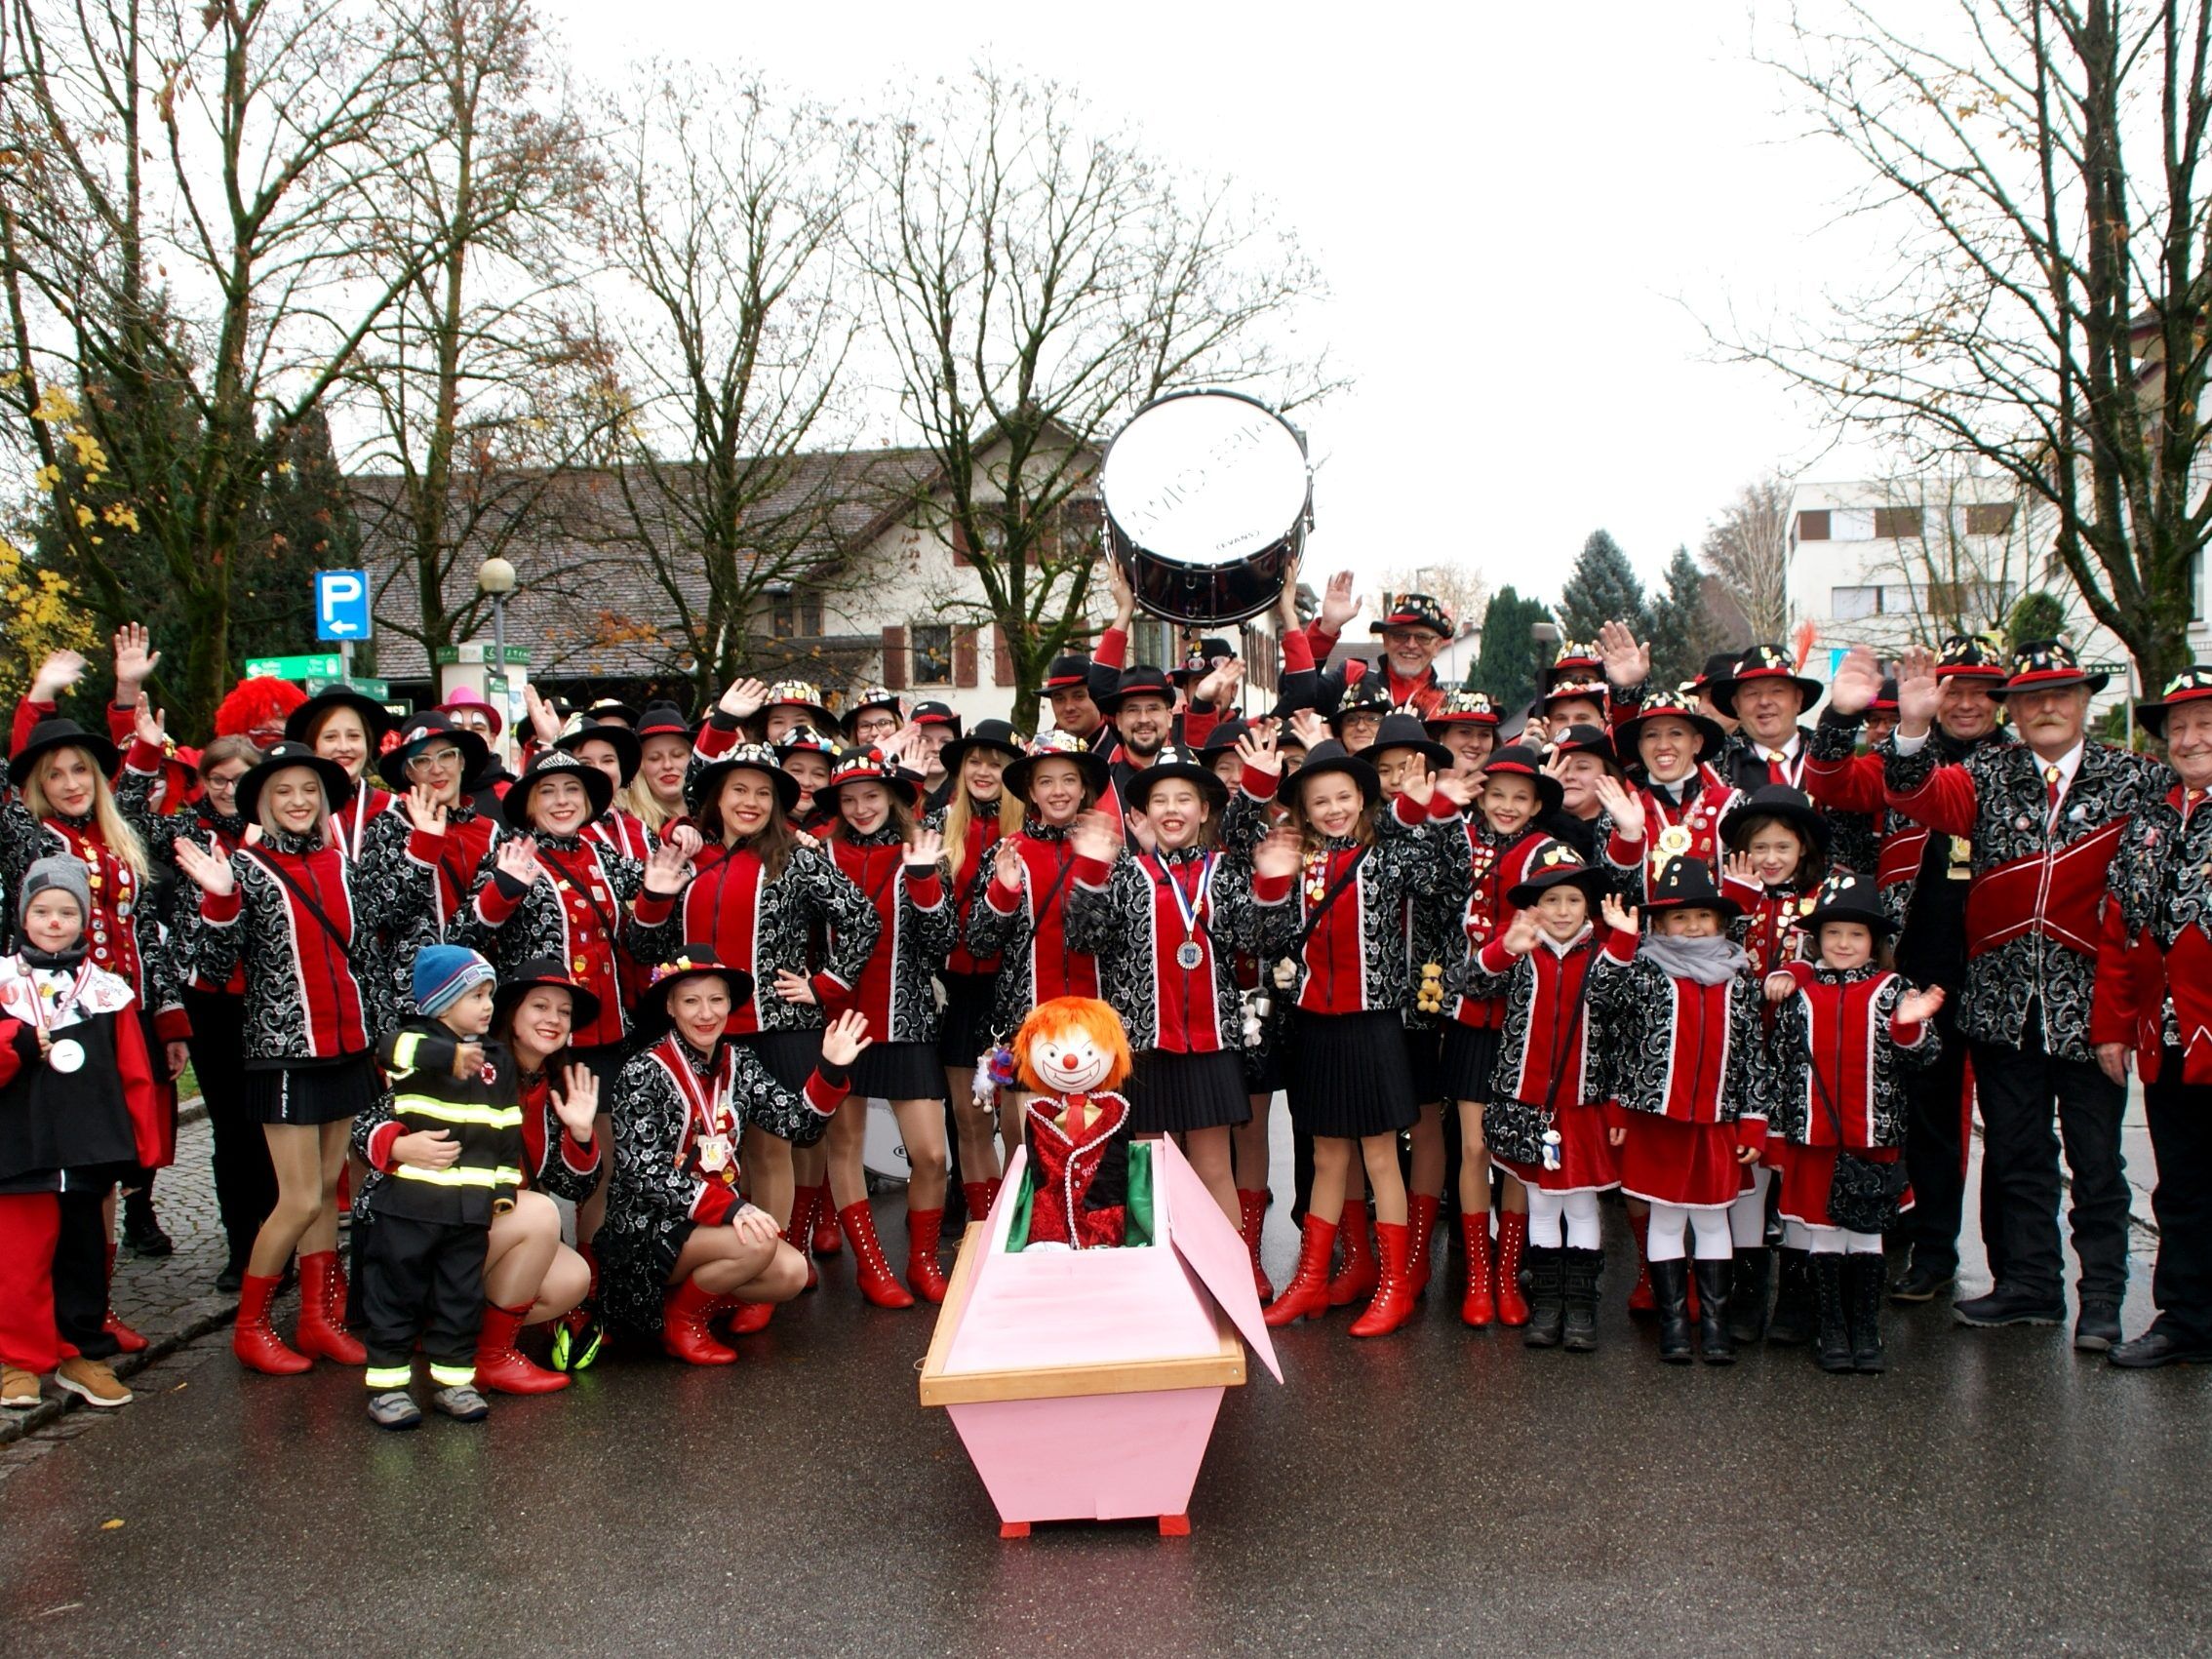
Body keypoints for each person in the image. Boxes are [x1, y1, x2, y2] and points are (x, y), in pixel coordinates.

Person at [1881, 638, 2164, 1348]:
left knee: (2098, 1163)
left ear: (2083, 703)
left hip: (2089, 1010)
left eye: (2059, 695)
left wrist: (2124, 1015)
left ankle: (2101, 1298)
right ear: (2016, 708)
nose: (2045, 708)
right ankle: (2031, 1285)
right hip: (2001, 1007)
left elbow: (2141, 902)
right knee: (2017, 1157)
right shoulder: (1985, 771)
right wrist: (1913, 729)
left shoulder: (2132, 779)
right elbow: (1917, 794)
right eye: (2031, 697)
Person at [172, 741, 422, 1375]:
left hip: (346, 1048)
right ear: (262, 800)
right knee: (302, 1197)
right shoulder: (246, 868)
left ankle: (317, 1318)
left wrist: (381, 1038)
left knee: (327, 1193)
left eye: (308, 789)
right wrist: (220, 900)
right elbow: (210, 969)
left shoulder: (342, 864)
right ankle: (250, 1326)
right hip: (284, 1052)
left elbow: (367, 949)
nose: (298, 800)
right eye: (284, 790)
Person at [1809, 637, 2008, 1306]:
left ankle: (2004, 1265)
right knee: (1921, 1116)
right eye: (1955, 688)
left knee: (2001, 1128)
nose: (1969, 702)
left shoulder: (2017, 769)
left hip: (1996, 966)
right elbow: (1832, 779)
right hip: (1915, 965)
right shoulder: (1901, 758)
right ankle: (1924, 1244)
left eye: (1984, 690)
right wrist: (1839, 715)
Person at [1244, 736, 1463, 1338]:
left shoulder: (1386, 855)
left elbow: (1444, 886)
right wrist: (1269, 883)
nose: (1334, 809)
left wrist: (1425, 814)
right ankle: (1312, 1277)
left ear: (1363, 800)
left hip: (1374, 1025)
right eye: (1321, 801)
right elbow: (1266, 938)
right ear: (1305, 810)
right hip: (1317, 1025)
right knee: (1325, 1154)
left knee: (1381, 1155)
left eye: (1344, 797)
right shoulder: (1302, 863)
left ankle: (1395, 1285)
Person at [634, 717, 877, 1241]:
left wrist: (824, 985)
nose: (751, 802)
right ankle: (722, 1266)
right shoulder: (685, 858)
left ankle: (775, 1262)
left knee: (771, 1150)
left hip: (780, 1028)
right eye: (739, 789)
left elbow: (862, 918)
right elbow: (646, 950)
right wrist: (654, 898)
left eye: (764, 793)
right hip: (702, 1031)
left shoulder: (795, 858)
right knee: (705, 1150)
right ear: (717, 797)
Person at [1066, 746, 1297, 1229]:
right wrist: (1088, 870)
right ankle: (1162, 1287)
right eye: (1160, 801)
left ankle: (1227, 1286)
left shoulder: (1225, 872)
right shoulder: (1126, 874)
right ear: (1144, 814)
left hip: (1211, 1045)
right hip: (1145, 1046)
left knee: (1215, 1168)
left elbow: (1256, 939)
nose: (1172, 810)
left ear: (1205, 810)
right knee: (1149, 1171)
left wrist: (1274, 886)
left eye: (1184, 799)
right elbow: (1084, 938)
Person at [599, 951, 867, 1363]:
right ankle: (681, 1322)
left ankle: (691, 1304)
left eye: (716, 1000)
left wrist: (829, 1069)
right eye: (691, 1001)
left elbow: (797, 1124)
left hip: (712, 1225)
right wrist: (733, 1209)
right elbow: (643, 1174)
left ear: (729, 1005)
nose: (706, 1013)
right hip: (647, 1231)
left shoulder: (738, 1062)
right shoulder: (644, 1070)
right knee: (756, 1244)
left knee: (791, 1273)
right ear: (670, 1007)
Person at [0, 859, 168, 1410]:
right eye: (42, 911)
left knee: (81, 1254)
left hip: (88, 1146)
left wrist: (141, 1148)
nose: (54, 922)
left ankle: (79, 1353)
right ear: (23, 916)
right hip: (19, 1144)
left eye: (67, 912)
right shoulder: (2, 983)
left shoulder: (108, 991)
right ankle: (20, 1360)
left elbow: (135, 1075)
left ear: (85, 919)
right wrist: (17, 1044)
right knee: (21, 1259)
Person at [1762, 874, 1945, 1374]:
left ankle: (1866, 1326)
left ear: (1875, 943)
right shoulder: (1799, 994)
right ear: (1817, 939)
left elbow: (1926, 1056)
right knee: (1822, 1234)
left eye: (1856, 935)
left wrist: (1910, 1026)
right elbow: (1781, 1067)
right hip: (1814, 1138)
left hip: (1873, 1138)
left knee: (1865, 1235)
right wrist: (1775, 1136)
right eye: (1834, 933)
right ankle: (1831, 1327)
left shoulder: (1893, 991)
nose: (1844, 944)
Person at [1588, 859, 1767, 1364]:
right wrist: (1621, 942)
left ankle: (1712, 1323)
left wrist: (1754, 1118)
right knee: (1666, 1221)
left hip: (1716, 1121)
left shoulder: (1738, 976)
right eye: (1679, 919)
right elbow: (1603, 1008)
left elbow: (1753, 1053)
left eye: (1702, 918)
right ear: (1659, 926)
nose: (1692, 927)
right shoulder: (1645, 969)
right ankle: (1672, 1322)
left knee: (1713, 1224)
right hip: (1656, 1119)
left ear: (1721, 923)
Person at [1457, 842, 1628, 1351]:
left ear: (1588, 907)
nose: (1562, 911)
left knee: (1580, 1205)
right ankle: (1548, 1306)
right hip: (1524, 1103)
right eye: (1551, 901)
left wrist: (1618, 1103)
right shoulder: (1519, 951)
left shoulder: (1606, 954)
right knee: (1540, 1204)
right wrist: (1503, 946)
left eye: (1573, 901)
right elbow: (1468, 985)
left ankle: (1581, 1310)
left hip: (1583, 1104)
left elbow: (1625, 1027)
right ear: (1534, 908)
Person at [2091, 666, 2212, 1366]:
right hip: (2168, 1040)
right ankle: (2186, 1319)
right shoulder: (2151, 820)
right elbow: (2117, 930)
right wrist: (2112, 1022)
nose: (2191, 739)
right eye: (2180, 727)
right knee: (2184, 1186)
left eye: (2205, 725)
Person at [814, 750, 956, 1307]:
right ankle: (872, 1267)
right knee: (844, 1148)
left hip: (908, 1019)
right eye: (848, 799)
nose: (861, 808)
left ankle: (921, 1263)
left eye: (872, 796)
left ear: (894, 797)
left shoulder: (919, 848)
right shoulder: (819, 855)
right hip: (837, 1022)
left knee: (931, 1155)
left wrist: (923, 881)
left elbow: (943, 941)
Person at [356, 946, 515, 1430]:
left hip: (469, 1210)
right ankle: (387, 1387)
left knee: (459, 1298)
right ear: (442, 1003)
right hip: (411, 1206)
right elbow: (390, 1048)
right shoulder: (414, 1046)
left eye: (490, 995)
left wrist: (502, 1188)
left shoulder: (497, 1059)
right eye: (475, 996)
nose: (488, 1005)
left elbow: (507, 1126)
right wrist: (450, 1055)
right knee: (395, 1295)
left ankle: (454, 1383)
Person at [1441, 747, 1569, 1328]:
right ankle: (1476, 1276)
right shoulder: (1460, 842)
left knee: (1515, 1154)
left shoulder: (1548, 855)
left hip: (1524, 1019)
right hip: (1469, 1015)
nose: (1508, 806)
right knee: (1471, 1148)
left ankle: (1507, 1273)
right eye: (1497, 795)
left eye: (1521, 797)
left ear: (1537, 804)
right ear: (1481, 796)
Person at [967, 731, 1112, 1152]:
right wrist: (1004, 893)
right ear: (1030, 791)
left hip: (1095, 1030)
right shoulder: (1006, 851)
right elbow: (979, 944)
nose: (1059, 790)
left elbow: (1101, 941)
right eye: (1046, 781)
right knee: (1027, 1155)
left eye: (1069, 779)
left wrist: (1094, 871)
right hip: (1026, 1026)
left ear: (1084, 787)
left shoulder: (1108, 853)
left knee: (1096, 1156)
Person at [174, 736, 277, 1292]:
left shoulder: (280, 827)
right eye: (217, 780)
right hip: (214, 999)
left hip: (274, 997)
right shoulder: (186, 833)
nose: (228, 790)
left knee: (275, 1126)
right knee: (231, 1131)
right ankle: (242, 1248)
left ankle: (276, 1241)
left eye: (239, 779)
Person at [933, 720, 1024, 1223]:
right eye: (975, 761)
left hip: (1012, 992)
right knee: (968, 1123)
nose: (984, 771)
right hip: (960, 993)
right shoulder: (938, 825)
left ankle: (1019, 1224)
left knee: (1016, 1126)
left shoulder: (1030, 828)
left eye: (997, 762)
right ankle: (982, 1227)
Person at [283, 687, 395, 858]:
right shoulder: (290, 812)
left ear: (368, 743)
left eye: (354, 736)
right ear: (312, 746)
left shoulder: (394, 808)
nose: (344, 747)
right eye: (330, 737)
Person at [627, 703, 695, 839]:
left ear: (691, 757)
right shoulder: (630, 826)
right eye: (654, 758)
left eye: (677, 755)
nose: (667, 765)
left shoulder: (715, 815)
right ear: (640, 765)